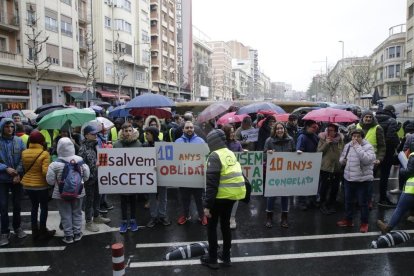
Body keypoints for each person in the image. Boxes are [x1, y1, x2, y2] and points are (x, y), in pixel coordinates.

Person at [200, 129, 246, 269]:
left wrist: (207, 206)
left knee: (212, 227)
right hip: (233, 195)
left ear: (212, 142)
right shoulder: (230, 153)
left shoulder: (214, 156)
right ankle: (226, 257)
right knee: (225, 225)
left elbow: (212, 184)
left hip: (220, 196)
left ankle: (212, 259)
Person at [46, 137, 90, 244]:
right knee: (77, 212)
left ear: (59, 148)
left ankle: (68, 235)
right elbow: (86, 177)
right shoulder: (80, 160)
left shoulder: (54, 164)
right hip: (78, 192)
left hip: (61, 194)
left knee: (65, 214)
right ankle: (77, 233)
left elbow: (50, 181)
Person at [337, 129, 376, 233]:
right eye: (353, 136)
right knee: (348, 201)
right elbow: (342, 157)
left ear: (362, 137)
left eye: (358, 136)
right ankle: (348, 220)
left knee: (363, 203)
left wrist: (358, 147)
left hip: (363, 180)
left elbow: (367, 160)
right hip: (348, 178)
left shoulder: (368, 147)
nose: (355, 138)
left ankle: (364, 223)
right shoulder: (348, 145)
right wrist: (342, 161)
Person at [21, 131, 55, 240]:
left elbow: (24, 168)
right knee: (44, 207)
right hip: (41, 185)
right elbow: (45, 172)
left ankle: (34, 231)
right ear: (41, 141)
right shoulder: (44, 153)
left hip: (28, 185)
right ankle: (43, 231)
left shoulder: (24, 152)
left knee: (34, 206)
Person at [79, 125, 111, 233]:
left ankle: (96, 216)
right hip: (89, 179)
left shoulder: (97, 145)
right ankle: (89, 221)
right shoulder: (83, 149)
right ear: (86, 135)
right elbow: (81, 166)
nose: (95, 135)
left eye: (96, 134)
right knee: (89, 200)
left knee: (98, 196)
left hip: (99, 176)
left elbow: (103, 157)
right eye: (93, 134)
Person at [0, 119, 27, 247]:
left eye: (11, 126)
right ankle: (4, 232)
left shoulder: (19, 141)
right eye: (6, 127)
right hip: (2, 179)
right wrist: (5, 168)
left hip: (17, 178)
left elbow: (23, 158)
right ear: (2, 128)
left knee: (17, 205)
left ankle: (17, 227)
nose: (9, 129)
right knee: (3, 206)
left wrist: (17, 173)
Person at [263, 122, 296, 228]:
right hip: (273, 173)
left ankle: (284, 218)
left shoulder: (290, 140)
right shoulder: (269, 141)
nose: (279, 130)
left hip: (286, 172)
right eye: (277, 129)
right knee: (271, 196)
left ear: (284, 129)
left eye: (281, 128)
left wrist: (299, 154)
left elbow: (294, 154)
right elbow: (263, 156)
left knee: (285, 196)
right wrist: (268, 154)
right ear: (274, 130)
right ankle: (269, 218)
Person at [175, 121, 207, 226]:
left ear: (194, 129)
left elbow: (206, 155)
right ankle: (185, 215)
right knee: (185, 198)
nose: (189, 129)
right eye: (187, 127)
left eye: (191, 127)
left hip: (197, 175)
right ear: (183, 129)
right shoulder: (177, 141)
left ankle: (202, 215)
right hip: (183, 176)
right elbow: (174, 158)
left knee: (199, 198)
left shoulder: (201, 141)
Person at [377, 150, 414, 234]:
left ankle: (387, 228)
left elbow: (408, 172)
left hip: (411, 189)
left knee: (400, 209)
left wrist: (401, 170)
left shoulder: (413, 155)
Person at [113, 123, 142, 233]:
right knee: (123, 201)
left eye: (130, 130)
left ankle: (133, 220)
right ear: (122, 132)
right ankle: (124, 221)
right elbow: (112, 161)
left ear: (133, 131)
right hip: (121, 178)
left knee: (133, 200)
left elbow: (143, 161)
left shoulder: (138, 144)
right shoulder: (117, 145)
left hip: (134, 177)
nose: (128, 133)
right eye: (126, 131)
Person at [356, 110, 386, 208]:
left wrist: (379, 159)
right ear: (363, 118)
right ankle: (359, 200)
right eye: (366, 117)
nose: (368, 119)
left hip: (372, 160)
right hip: (358, 159)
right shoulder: (357, 127)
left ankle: (368, 201)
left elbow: (382, 146)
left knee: (368, 182)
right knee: (358, 181)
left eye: (370, 117)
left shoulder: (378, 128)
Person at [144, 126, 171, 228]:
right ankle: (154, 217)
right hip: (150, 176)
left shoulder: (163, 144)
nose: (146, 136)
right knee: (152, 197)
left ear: (153, 134)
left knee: (163, 196)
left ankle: (162, 215)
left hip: (162, 175)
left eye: (148, 134)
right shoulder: (145, 146)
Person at [375, 105, 400, 208]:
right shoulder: (392, 121)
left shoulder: (374, 119)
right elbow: (390, 138)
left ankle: (365, 200)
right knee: (384, 176)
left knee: (368, 176)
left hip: (372, 151)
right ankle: (382, 199)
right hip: (386, 153)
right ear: (392, 111)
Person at [317, 123, 344, 215]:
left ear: (335, 131)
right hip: (326, 167)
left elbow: (343, 151)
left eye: (331, 130)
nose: (328, 132)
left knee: (335, 187)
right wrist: (326, 144)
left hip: (337, 167)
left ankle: (331, 203)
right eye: (327, 130)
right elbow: (319, 151)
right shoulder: (322, 138)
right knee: (324, 187)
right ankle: (323, 204)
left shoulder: (340, 140)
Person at [221, 124, 243, 229]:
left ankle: (232, 218)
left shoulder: (237, 144)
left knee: (235, 197)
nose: (232, 133)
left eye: (233, 131)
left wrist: (244, 154)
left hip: (235, 175)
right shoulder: (221, 145)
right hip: (224, 175)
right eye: (230, 132)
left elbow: (242, 156)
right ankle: (225, 217)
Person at [296, 120, 320, 210]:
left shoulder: (314, 136)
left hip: (313, 164)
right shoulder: (302, 137)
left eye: (316, 127)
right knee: (303, 184)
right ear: (307, 127)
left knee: (312, 183)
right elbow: (299, 150)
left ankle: (312, 200)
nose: (315, 129)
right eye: (313, 127)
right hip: (304, 165)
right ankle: (302, 202)